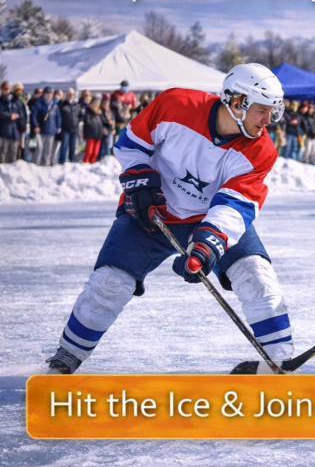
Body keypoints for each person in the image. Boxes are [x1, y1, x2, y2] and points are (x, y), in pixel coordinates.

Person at [46, 64, 296, 375]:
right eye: (262, 111)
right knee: (110, 283)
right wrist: (139, 179)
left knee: (255, 274)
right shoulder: (175, 104)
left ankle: (280, 363)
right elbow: (131, 144)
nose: (268, 121)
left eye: (273, 112)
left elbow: (236, 204)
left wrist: (207, 246)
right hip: (150, 215)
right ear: (235, 103)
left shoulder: (261, 150)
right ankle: (67, 357)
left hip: (209, 218)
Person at [31, 87, 61, 166]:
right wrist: (36, 125)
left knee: (48, 149)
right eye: (47, 94)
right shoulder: (39, 104)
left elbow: (58, 117)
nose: (48, 96)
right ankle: (35, 164)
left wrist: (58, 127)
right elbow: (33, 115)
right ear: (44, 94)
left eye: (50, 94)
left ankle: (45, 165)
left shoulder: (54, 105)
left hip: (51, 130)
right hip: (41, 129)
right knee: (39, 148)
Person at [57, 87, 81, 163]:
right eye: (69, 95)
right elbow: (59, 116)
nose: (70, 96)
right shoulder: (63, 104)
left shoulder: (77, 105)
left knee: (73, 146)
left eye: (72, 95)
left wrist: (77, 122)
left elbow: (80, 116)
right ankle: (62, 160)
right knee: (64, 146)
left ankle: (72, 159)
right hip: (65, 128)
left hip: (74, 128)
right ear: (67, 95)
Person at [81, 96, 104, 163]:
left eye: (98, 103)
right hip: (90, 135)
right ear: (92, 103)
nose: (96, 105)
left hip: (98, 135)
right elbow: (88, 122)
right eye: (95, 103)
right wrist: (93, 111)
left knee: (95, 153)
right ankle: (85, 163)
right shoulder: (88, 111)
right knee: (89, 152)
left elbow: (102, 123)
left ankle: (92, 164)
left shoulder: (99, 113)